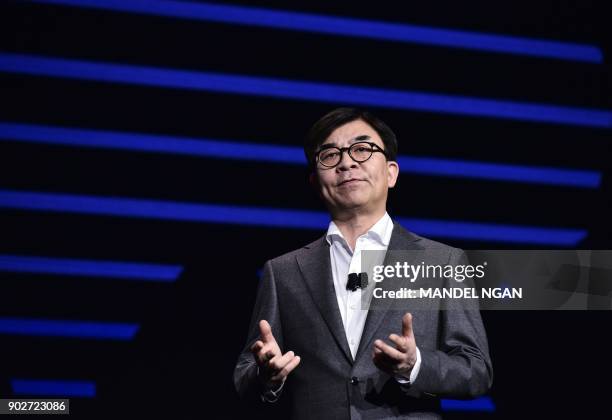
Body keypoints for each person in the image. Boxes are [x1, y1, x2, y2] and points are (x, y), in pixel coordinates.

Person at [234, 108, 493, 419]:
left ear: (391, 172)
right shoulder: (283, 271)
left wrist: (416, 365)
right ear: (316, 182)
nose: (346, 162)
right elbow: (245, 373)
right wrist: (266, 376)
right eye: (330, 154)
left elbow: (476, 370)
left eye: (362, 149)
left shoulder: (443, 261)